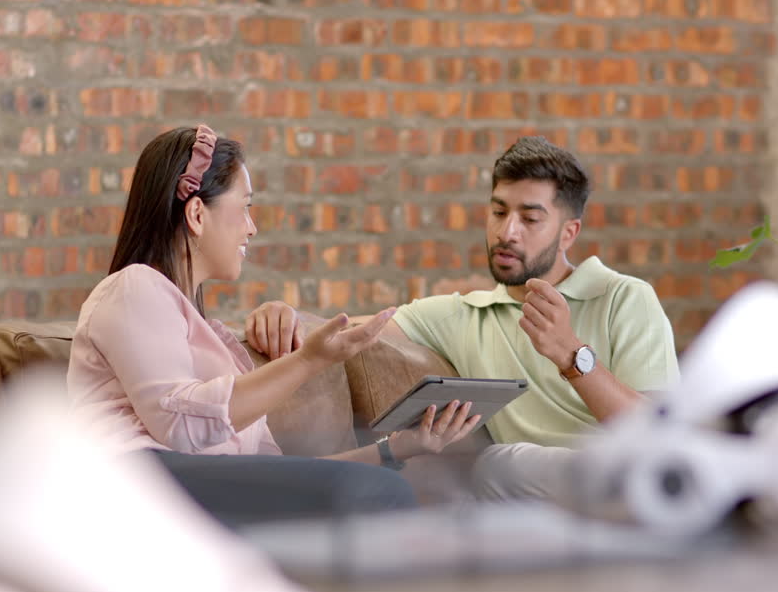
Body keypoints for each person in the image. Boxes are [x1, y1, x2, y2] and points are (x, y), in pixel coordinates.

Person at [66, 125, 482, 527]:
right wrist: (309, 360)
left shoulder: (214, 341)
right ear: (196, 213)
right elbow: (181, 426)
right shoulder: (133, 287)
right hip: (139, 482)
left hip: (192, 485)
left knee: (385, 486)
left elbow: (277, 473)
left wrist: (396, 448)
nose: (252, 226)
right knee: (379, 495)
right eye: (245, 206)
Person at [245, 136, 680, 503]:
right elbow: (351, 330)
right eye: (498, 212)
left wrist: (572, 355)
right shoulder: (463, 315)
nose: (507, 232)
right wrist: (283, 314)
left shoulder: (625, 298)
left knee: (509, 466)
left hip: (627, 471)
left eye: (529, 218)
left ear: (569, 232)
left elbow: (659, 434)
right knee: (497, 466)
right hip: (539, 494)